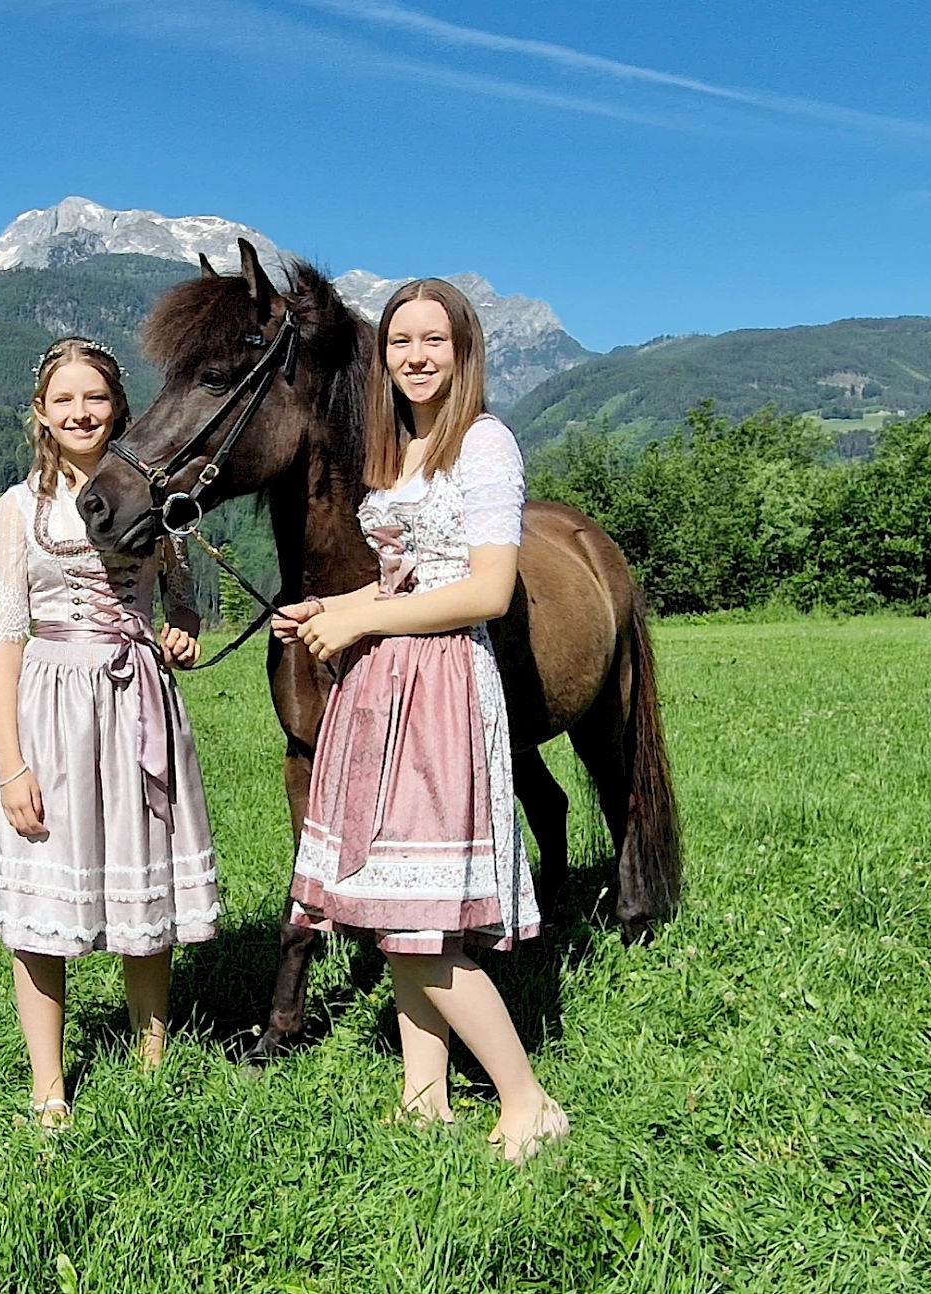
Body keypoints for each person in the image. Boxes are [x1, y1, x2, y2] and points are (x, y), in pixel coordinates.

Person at [271, 280, 569, 1163]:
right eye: (400, 341)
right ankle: (423, 1098)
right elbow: (404, 581)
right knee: (399, 909)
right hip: (384, 683)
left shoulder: (484, 444)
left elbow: (485, 590)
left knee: (431, 919)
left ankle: (526, 1101)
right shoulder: (400, 450)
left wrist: (361, 622)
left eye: (433, 339)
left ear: (464, 349)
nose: (415, 356)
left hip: (440, 685)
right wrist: (330, 606)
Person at [0, 336, 219, 1128]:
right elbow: (5, 637)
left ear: (120, 409)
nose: (81, 412)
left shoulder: (159, 497)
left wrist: (181, 629)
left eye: (96, 398)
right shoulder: (19, 508)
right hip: (49, 707)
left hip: (137, 700)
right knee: (40, 905)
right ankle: (49, 1089)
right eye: (64, 399)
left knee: (144, 893)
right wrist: (13, 764)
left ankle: (152, 1068)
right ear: (41, 414)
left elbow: (188, 598)